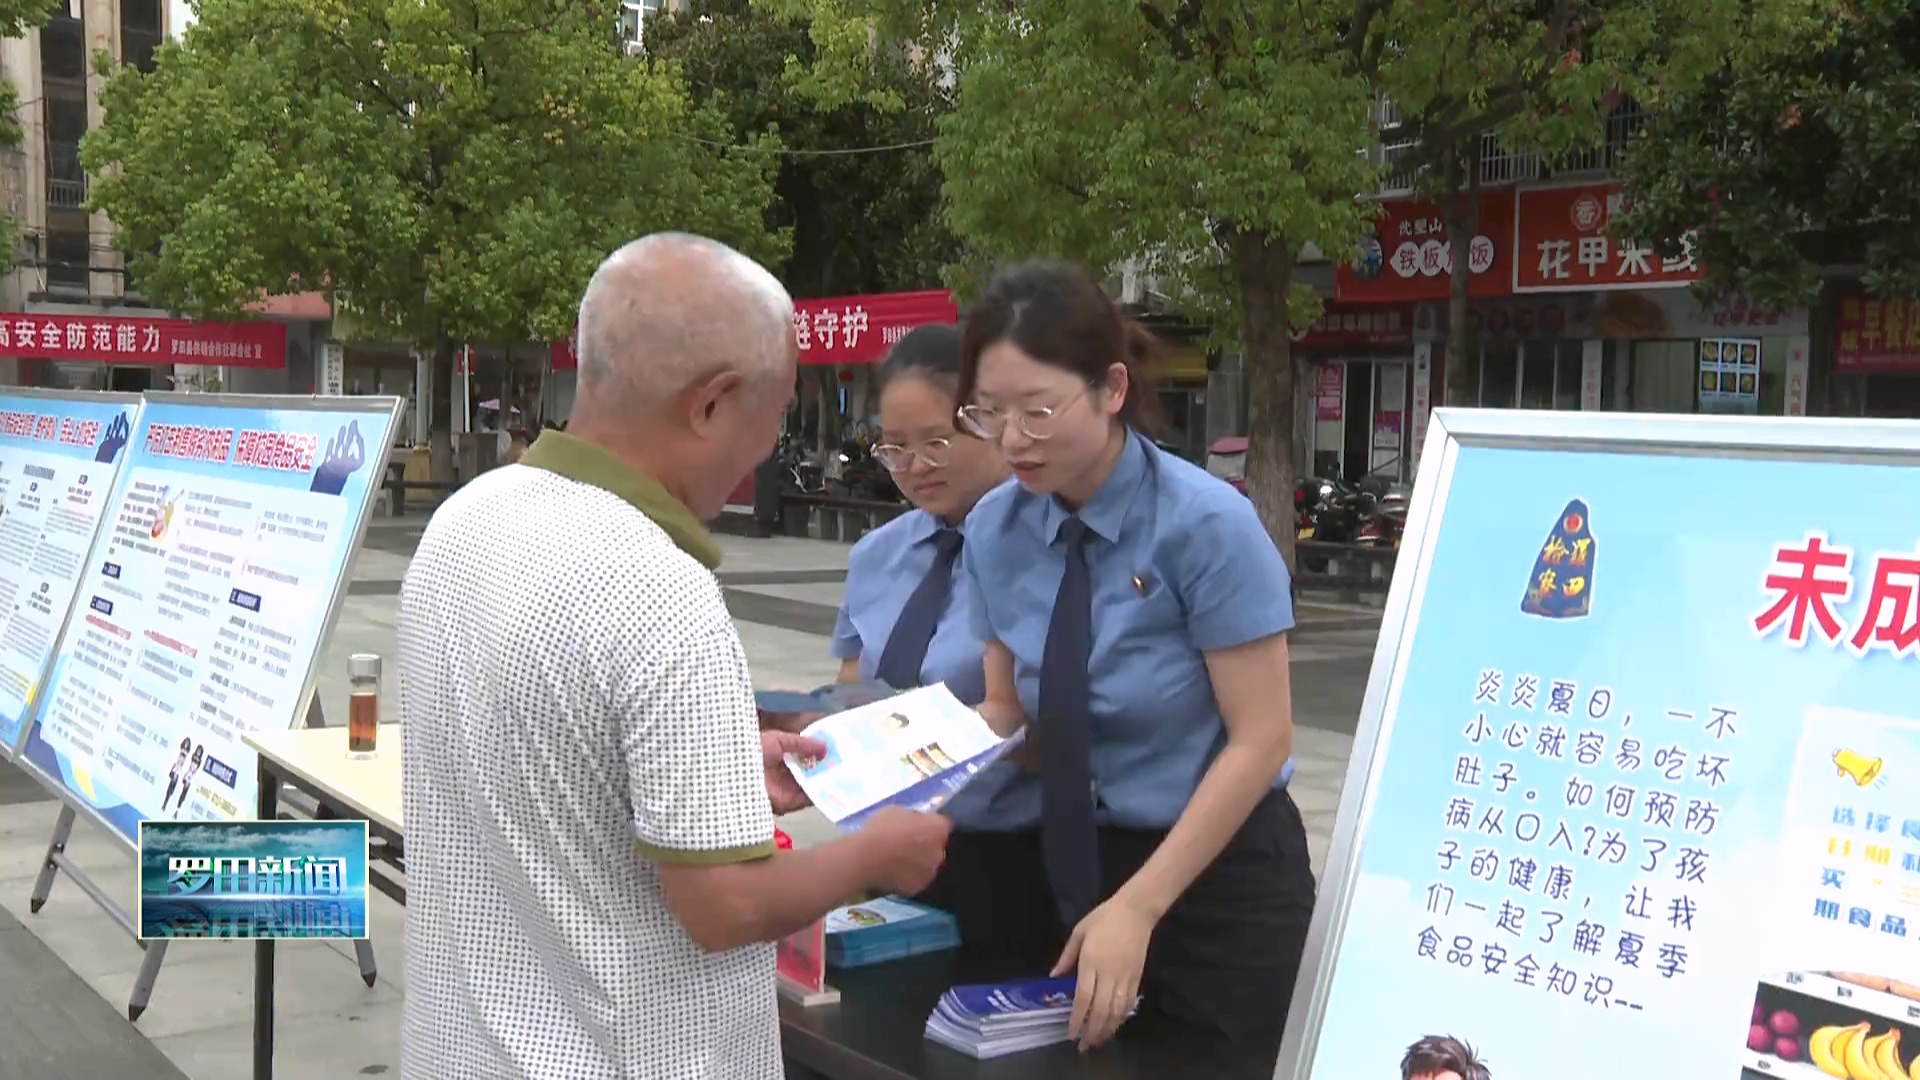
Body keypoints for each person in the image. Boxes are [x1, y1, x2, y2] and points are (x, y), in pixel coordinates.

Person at [396, 232, 953, 1080]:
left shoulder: (468, 517)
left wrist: (720, 763)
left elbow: (551, 763)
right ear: (712, 404)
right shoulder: (662, 593)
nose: (766, 450)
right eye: (774, 417)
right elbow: (724, 907)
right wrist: (874, 857)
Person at [954, 260, 1314, 1075]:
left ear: (1112, 388)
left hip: (1217, 877)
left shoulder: (1206, 524)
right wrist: (887, 758)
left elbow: (1261, 740)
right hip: (1079, 866)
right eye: (988, 413)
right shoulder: (995, 530)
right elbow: (1007, 710)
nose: (1012, 440)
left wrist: (1140, 908)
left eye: (1039, 411)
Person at [824, 322, 1047, 978]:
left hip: (1015, 860)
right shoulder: (877, 557)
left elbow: (1055, 722)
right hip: (887, 854)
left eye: (935, 442)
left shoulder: (1049, 551)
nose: (914, 466)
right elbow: (850, 686)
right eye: (894, 448)